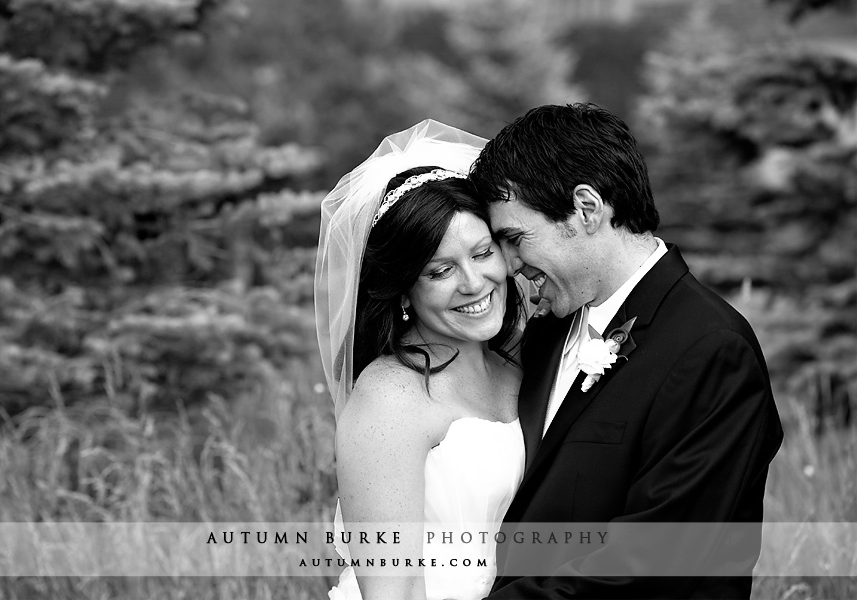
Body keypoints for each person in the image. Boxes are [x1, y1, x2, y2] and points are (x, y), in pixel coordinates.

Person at [467, 103, 785, 599]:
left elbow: (653, 563)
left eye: (515, 239)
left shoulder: (711, 349)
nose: (508, 267)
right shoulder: (549, 330)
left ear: (588, 208)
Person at [315, 120, 528, 600]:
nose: (474, 283)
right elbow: (392, 589)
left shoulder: (517, 369)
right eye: (441, 270)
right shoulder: (391, 396)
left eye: (482, 252)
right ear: (406, 288)